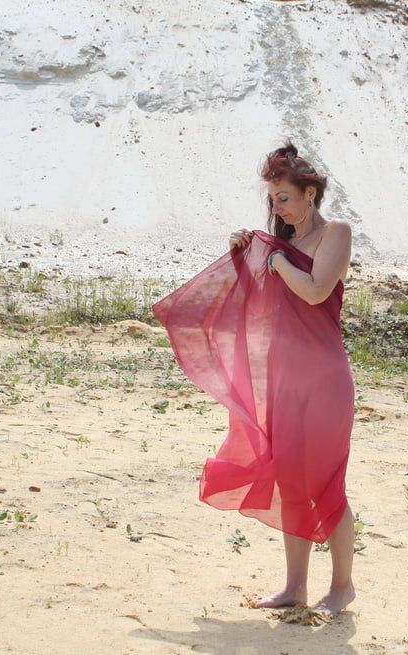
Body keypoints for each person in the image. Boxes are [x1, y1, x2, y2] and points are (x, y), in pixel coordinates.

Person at [152, 141, 356, 616]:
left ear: (310, 193)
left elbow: (314, 291)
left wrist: (277, 260)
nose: (276, 207)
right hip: (286, 378)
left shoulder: (335, 234)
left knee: (326, 482)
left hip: (325, 379)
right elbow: (256, 304)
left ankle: (342, 587)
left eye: (283, 197)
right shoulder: (279, 247)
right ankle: (294, 588)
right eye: (272, 200)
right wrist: (245, 255)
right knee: (290, 480)